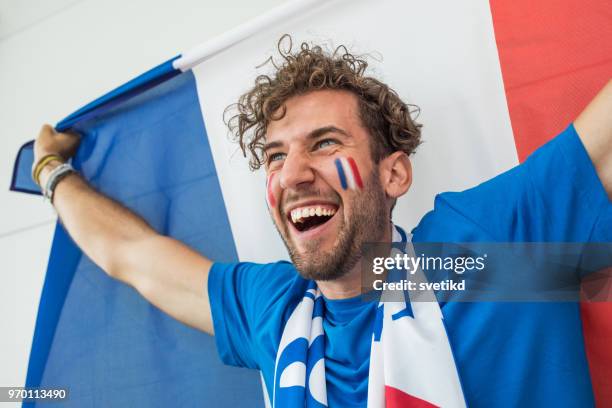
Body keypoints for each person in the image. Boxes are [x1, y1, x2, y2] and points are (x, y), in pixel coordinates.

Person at [32, 40, 611, 407]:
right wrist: (53, 169)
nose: (292, 174)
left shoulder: (482, 246)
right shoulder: (273, 311)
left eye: (325, 143)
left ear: (395, 175)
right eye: (276, 156)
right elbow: (131, 255)